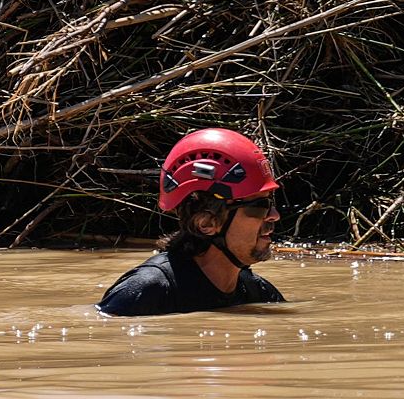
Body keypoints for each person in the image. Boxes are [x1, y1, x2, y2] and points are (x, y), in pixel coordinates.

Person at [96, 128, 285, 316]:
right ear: (206, 224)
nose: (274, 215)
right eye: (259, 206)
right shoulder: (143, 293)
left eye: (271, 202)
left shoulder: (258, 293)